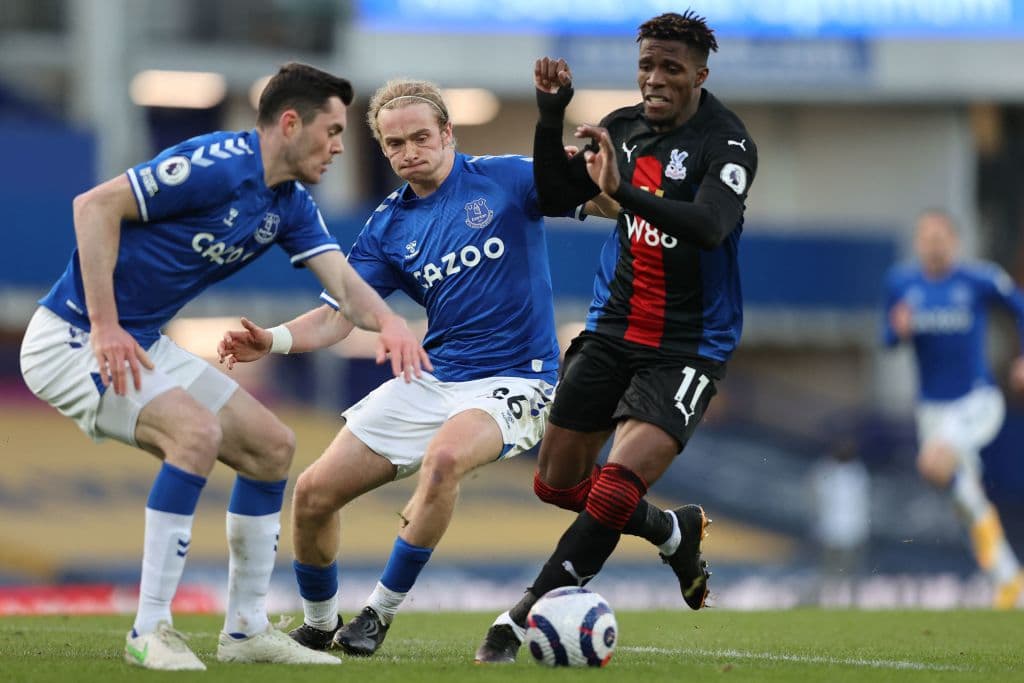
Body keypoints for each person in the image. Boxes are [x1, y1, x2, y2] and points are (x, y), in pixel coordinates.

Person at [18, 62, 428, 671]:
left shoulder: (290, 205)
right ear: (290, 123)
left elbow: (343, 283)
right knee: (197, 432)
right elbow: (94, 206)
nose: (342, 147)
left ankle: (244, 630)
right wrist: (105, 327)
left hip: (140, 340)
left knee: (271, 445)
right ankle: (149, 628)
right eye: (334, 130)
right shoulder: (218, 164)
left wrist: (392, 324)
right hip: (73, 337)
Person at [217, 78, 561, 657]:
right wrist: (271, 340)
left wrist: (617, 193)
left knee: (445, 459)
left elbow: (589, 194)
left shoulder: (506, 179)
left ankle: (377, 614)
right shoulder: (388, 226)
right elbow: (339, 317)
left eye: (421, 137)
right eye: (394, 144)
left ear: (448, 134)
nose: (409, 152)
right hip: (436, 376)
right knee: (313, 493)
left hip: (517, 378)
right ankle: (321, 624)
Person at [475, 10, 758, 663]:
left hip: (689, 343)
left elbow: (710, 226)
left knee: (613, 484)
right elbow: (552, 192)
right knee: (554, 482)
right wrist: (551, 117)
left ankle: (520, 618)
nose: (655, 79)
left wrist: (625, 192)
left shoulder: (729, 143)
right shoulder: (623, 128)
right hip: (614, 327)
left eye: (671, 69)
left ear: (699, 75)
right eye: (647, 66)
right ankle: (669, 530)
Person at [883, 208, 1024, 609]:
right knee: (966, 501)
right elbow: (887, 337)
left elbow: (1020, 307)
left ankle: (1009, 578)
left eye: (940, 235)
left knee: (933, 462)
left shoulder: (978, 279)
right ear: (917, 243)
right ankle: (1009, 581)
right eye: (926, 236)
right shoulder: (901, 283)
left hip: (976, 401)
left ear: (955, 241)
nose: (934, 243)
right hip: (932, 410)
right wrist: (898, 329)